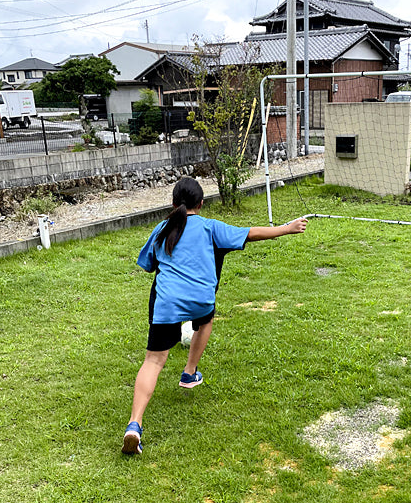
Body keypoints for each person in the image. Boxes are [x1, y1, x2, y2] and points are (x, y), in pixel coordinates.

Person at [122, 177, 307, 454]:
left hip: (167, 303)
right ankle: (189, 373)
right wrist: (287, 229)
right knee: (206, 318)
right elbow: (250, 233)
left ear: (173, 204)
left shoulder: (163, 228)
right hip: (201, 301)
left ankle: (134, 425)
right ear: (202, 203)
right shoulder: (210, 227)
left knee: (153, 361)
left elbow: (148, 266)